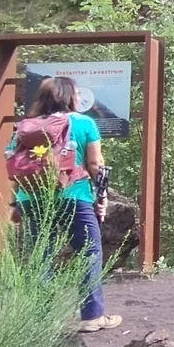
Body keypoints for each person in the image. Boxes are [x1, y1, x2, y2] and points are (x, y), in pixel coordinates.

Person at [10, 75, 117, 333]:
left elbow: (15, 166)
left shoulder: (26, 127)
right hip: (73, 196)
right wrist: (101, 196)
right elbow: (95, 164)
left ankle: (42, 319)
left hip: (32, 198)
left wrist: (16, 203)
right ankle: (92, 316)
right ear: (71, 97)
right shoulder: (83, 122)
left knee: (40, 257)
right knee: (89, 251)